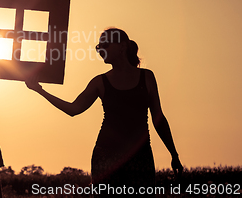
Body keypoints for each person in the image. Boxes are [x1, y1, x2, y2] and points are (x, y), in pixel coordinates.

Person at [25, 28, 183, 196]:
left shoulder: (147, 77)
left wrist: (174, 154)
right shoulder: (99, 82)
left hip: (140, 156)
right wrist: (39, 90)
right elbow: (74, 109)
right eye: (99, 47)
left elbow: (158, 118)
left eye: (105, 46)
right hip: (106, 156)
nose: (101, 51)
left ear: (122, 47)